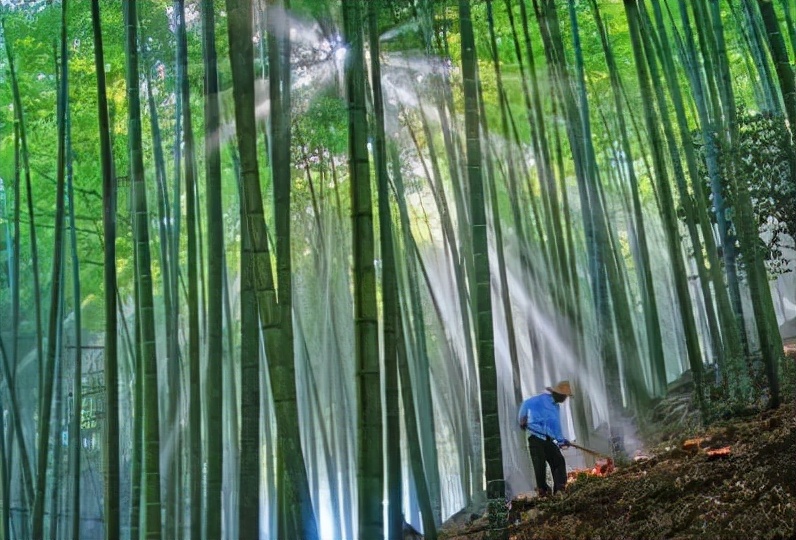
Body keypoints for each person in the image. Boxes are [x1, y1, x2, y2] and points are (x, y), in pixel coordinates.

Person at [517, 380, 573, 497]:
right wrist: (522, 417)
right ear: (559, 394)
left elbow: (555, 427)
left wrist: (561, 440)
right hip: (535, 437)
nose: (565, 399)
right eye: (564, 396)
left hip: (548, 439)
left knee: (558, 461)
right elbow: (525, 404)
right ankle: (543, 491)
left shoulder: (556, 407)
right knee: (540, 465)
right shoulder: (540, 399)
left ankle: (560, 489)